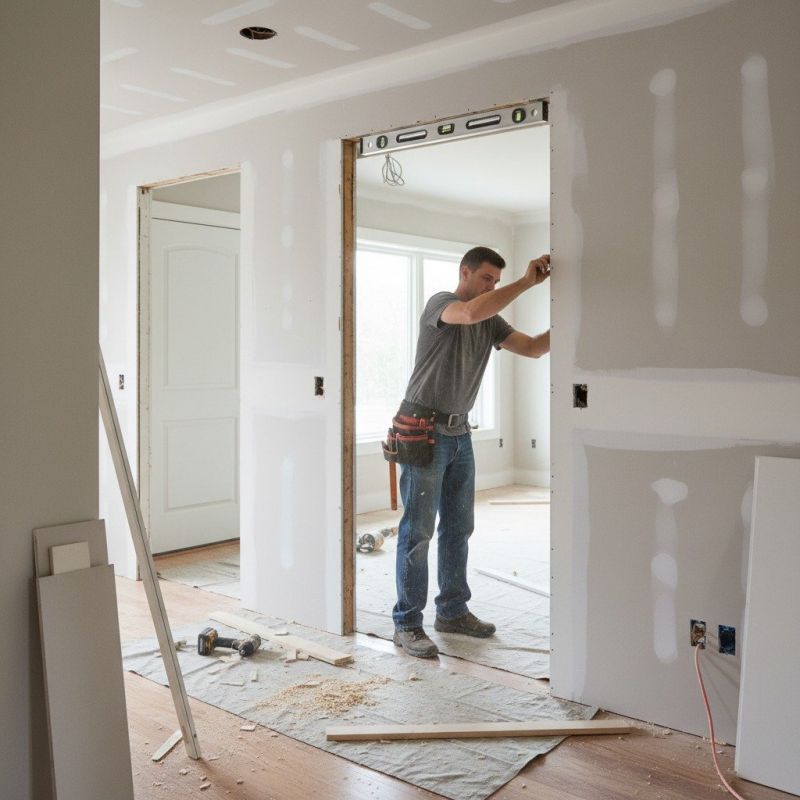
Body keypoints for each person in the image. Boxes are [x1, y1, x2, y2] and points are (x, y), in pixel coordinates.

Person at [392, 246, 551, 658]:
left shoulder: (490, 320)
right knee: (417, 532)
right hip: (423, 429)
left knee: (459, 527)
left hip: (459, 433)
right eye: (486, 279)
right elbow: (469, 314)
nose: (491, 287)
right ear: (464, 272)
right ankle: (407, 623)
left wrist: (574, 320)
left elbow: (533, 348)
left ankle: (453, 612)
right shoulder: (442, 305)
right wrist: (525, 282)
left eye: (495, 282)